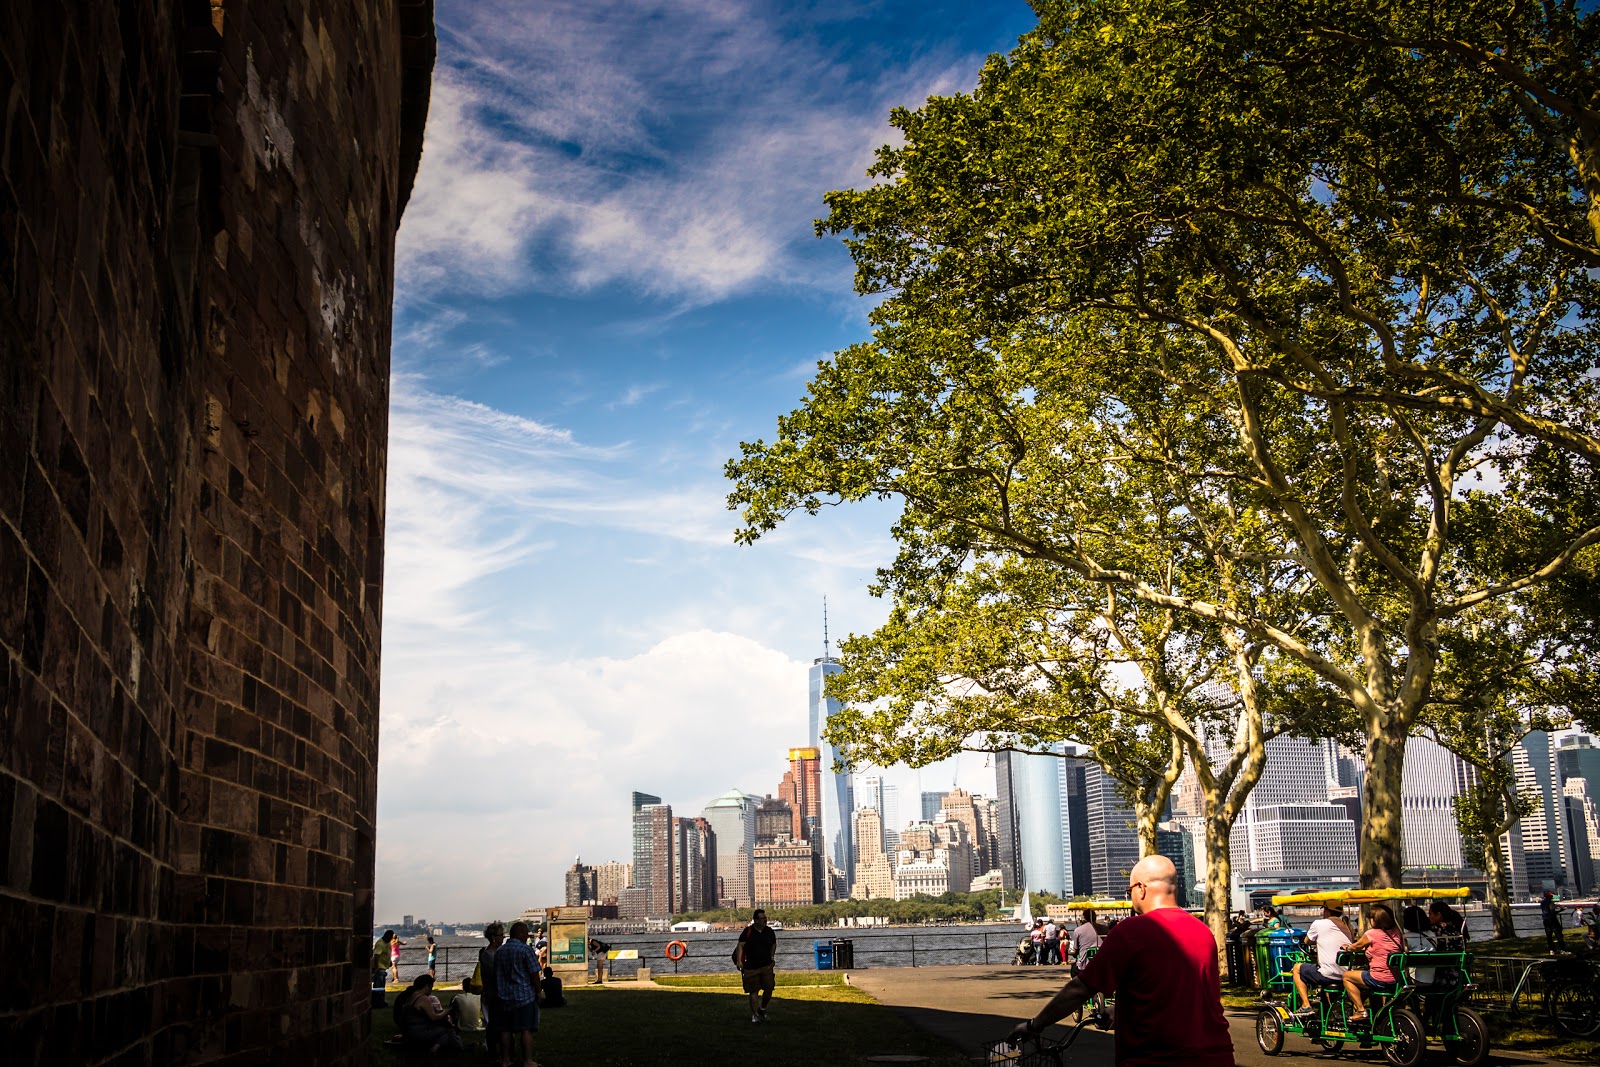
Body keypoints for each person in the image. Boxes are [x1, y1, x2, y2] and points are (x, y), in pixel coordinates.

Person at [1007, 855, 1234, 1067]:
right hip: (1216, 1055)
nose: (1130, 896)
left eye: (1129, 890)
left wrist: (1034, 1025)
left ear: (1141, 889)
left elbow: (1080, 988)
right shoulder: (1202, 931)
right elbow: (1181, 994)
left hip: (1155, 1058)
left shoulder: (1131, 931)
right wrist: (1122, 1011)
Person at [1341, 903, 1405, 1024]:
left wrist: (1347, 947)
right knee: (1366, 981)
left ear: (1376, 920)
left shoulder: (1371, 934)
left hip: (1379, 979)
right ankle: (1375, 1018)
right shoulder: (1397, 932)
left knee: (1347, 976)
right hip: (1396, 979)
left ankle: (1360, 1010)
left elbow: (1356, 947)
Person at [1292, 903, 1352, 1018]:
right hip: (1346, 973)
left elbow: (1307, 941)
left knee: (1297, 968)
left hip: (1328, 974)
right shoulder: (1347, 925)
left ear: (1327, 911)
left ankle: (1306, 1005)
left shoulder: (1318, 924)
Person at [495, 921, 541, 1067]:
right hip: (524, 996)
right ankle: (528, 1061)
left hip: (503, 997)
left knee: (505, 1030)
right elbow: (534, 974)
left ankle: (505, 1060)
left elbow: (496, 974)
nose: (528, 935)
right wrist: (538, 990)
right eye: (526, 932)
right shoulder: (525, 950)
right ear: (520, 933)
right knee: (525, 1029)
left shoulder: (500, 951)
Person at [393, 973, 464, 1053]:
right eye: (431, 987)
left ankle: (440, 1046)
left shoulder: (410, 996)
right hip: (419, 1032)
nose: (431, 990)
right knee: (448, 1030)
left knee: (445, 1031)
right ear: (426, 986)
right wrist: (447, 1012)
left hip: (409, 1031)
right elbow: (434, 1017)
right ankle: (439, 1049)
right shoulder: (423, 998)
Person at [734, 908, 779, 1024]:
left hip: (767, 966)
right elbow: (740, 946)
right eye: (762, 918)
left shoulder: (769, 931)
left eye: (765, 918)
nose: (765, 920)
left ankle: (762, 1009)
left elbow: (774, 944)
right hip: (751, 967)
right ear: (755, 920)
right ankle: (755, 1015)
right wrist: (740, 961)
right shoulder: (748, 931)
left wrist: (772, 957)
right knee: (753, 991)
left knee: (769, 988)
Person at [478, 923, 505, 1060]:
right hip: (493, 995)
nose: (503, 937)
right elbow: (494, 976)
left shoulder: (493, 953)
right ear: (494, 937)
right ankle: (493, 1052)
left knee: (496, 1024)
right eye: (501, 934)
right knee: (494, 1025)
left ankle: (497, 1051)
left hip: (495, 994)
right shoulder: (489, 955)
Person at [1068, 908, 1102, 975]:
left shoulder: (1078, 930)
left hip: (1084, 964)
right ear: (1095, 917)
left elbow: (1076, 949)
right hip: (1101, 961)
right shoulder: (1105, 928)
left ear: (1084, 918)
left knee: (1074, 969)